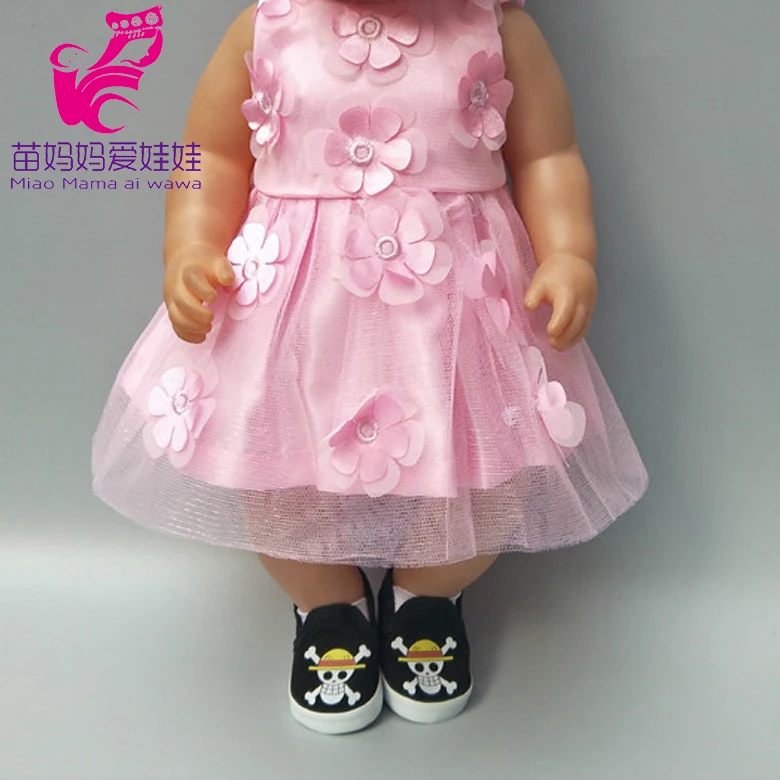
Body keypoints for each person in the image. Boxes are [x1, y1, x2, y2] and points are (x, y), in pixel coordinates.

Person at [92, 0, 648, 734]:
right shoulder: (269, 24)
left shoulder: (494, 25)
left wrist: (569, 252)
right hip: (292, 314)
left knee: (491, 471)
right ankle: (326, 601)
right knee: (275, 472)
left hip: (457, 314)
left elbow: (547, 156)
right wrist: (191, 246)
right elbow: (214, 155)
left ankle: (430, 589)